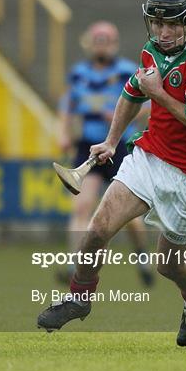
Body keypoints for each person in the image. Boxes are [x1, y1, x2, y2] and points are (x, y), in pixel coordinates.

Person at [38, 0, 186, 347]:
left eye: (172, 24)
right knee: (96, 229)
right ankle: (79, 298)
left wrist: (158, 92)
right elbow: (132, 92)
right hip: (146, 155)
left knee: (168, 264)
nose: (163, 32)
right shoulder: (153, 49)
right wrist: (112, 141)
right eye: (156, 24)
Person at [57, 21, 154, 287]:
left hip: (118, 146)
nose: (102, 45)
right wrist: (63, 132)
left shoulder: (126, 71)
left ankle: (141, 257)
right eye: (97, 41)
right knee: (81, 205)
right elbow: (68, 105)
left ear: (114, 43)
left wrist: (123, 116)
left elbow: (149, 104)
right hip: (88, 145)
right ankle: (73, 263)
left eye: (106, 41)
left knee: (128, 216)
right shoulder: (79, 73)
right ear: (91, 43)